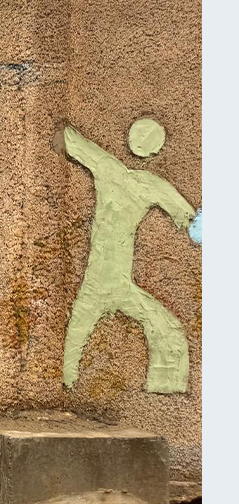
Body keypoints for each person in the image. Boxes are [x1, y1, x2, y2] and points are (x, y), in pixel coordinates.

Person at [60, 121, 195, 393]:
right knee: (165, 328)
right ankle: (164, 385)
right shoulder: (147, 183)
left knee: (80, 328)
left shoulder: (111, 169)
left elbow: (72, 141)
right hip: (111, 281)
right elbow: (190, 219)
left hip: (108, 281)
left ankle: (67, 380)